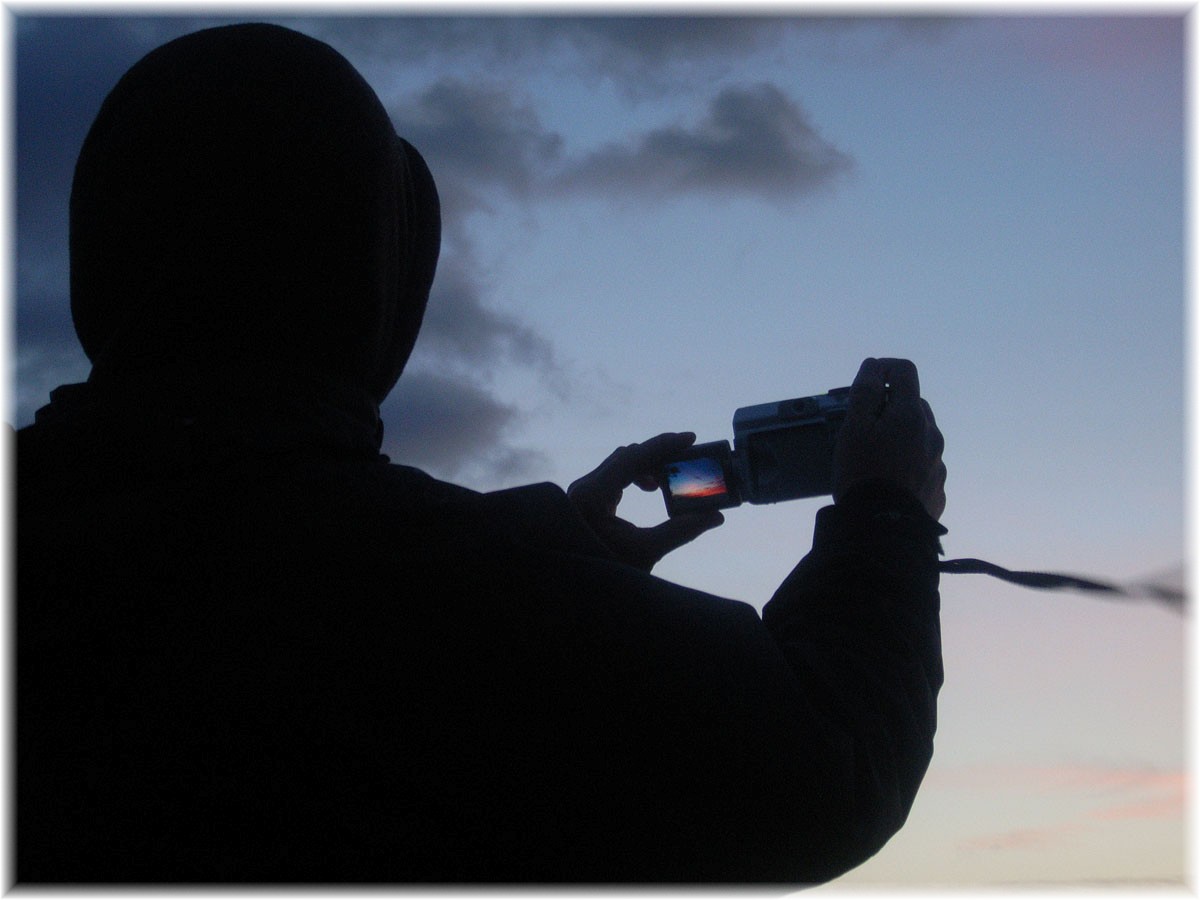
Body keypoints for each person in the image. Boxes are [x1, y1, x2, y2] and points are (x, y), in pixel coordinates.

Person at [16, 23, 947, 884]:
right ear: (371, 282)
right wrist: (885, 519)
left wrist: (554, 545)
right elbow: (827, 765)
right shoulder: (437, 605)